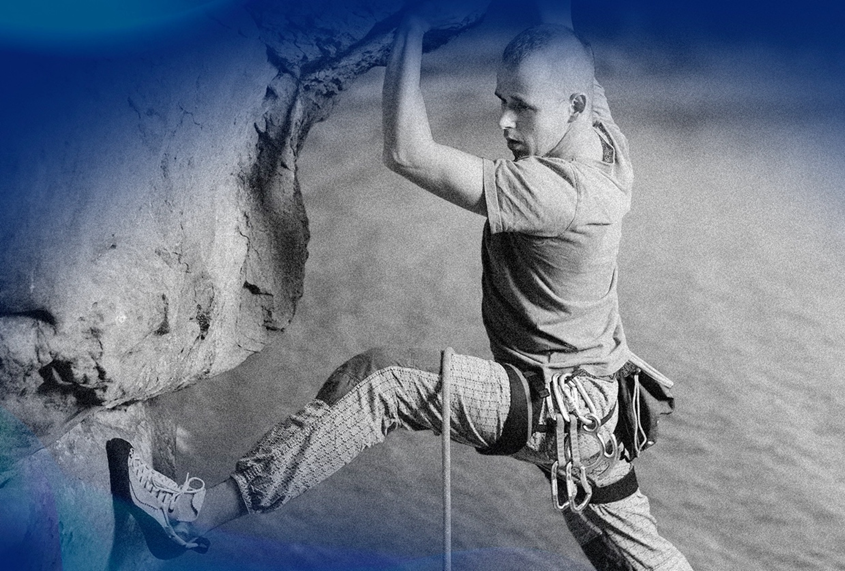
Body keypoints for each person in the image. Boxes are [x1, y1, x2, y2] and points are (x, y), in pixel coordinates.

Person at [109, 5, 694, 570]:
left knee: (381, 381)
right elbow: (558, 27)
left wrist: (411, 24)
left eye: (522, 108)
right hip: (597, 405)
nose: (505, 123)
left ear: (572, 105)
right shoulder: (601, 133)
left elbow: (407, 152)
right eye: (502, 101)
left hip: (550, 405)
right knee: (636, 550)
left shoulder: (556, 193)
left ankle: (194, 516)